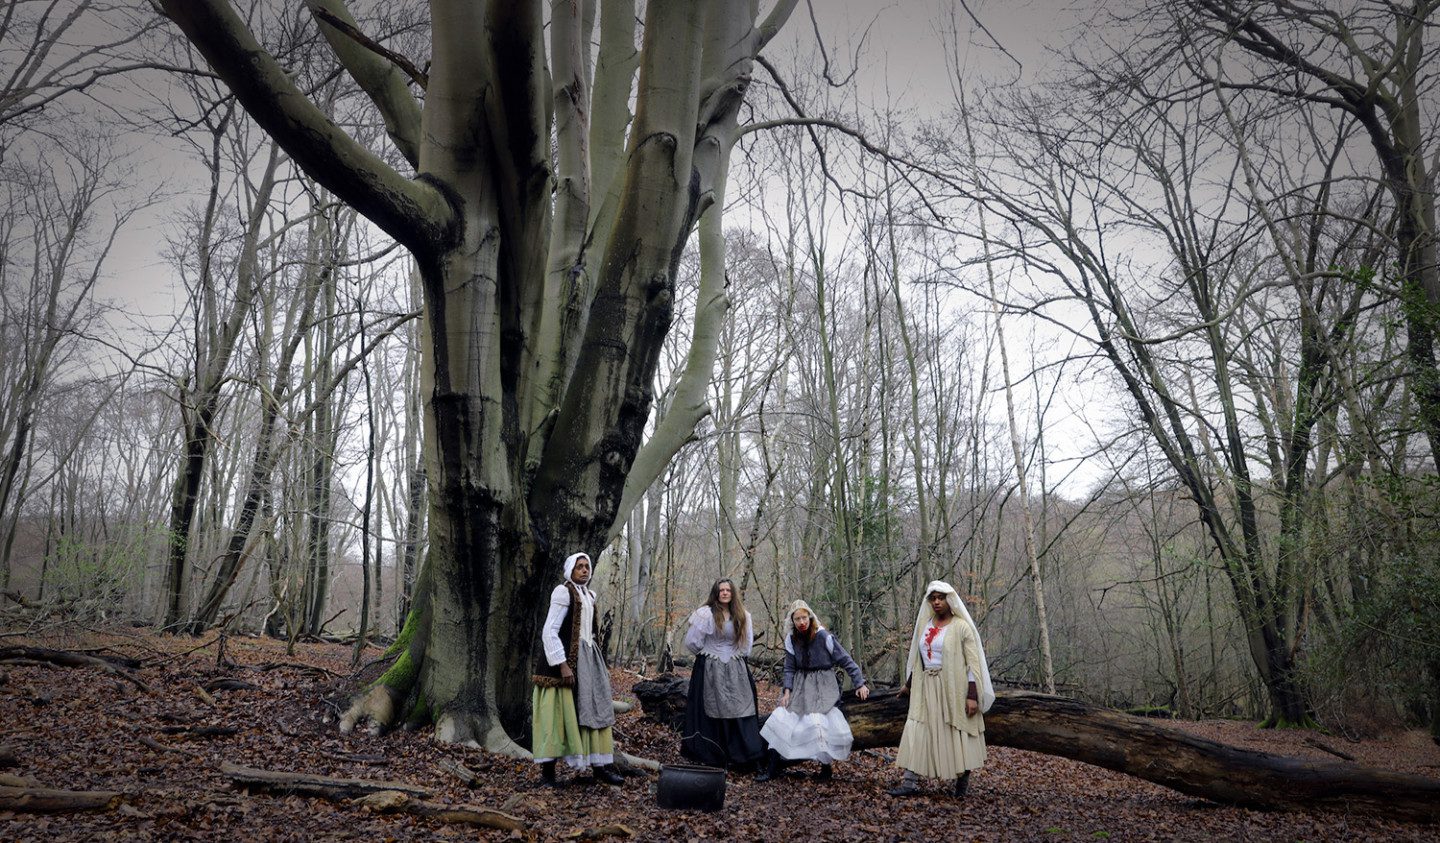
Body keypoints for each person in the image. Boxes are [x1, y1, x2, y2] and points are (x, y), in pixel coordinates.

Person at [887, 580, 994, 798]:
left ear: (949, 599)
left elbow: (972, 664)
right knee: (918, 728)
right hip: (925, 687)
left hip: (953, 687)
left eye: (941, 597)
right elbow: (918, 658)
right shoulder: (924, 624)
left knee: (957, 730)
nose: (936, 602)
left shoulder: (961, 627)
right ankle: (909, 782)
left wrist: (972, 695)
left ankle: (961, 784)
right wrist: (908, 685)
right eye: (933, 598)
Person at [531, 551, 624, 787]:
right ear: (570, 570)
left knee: (593, 708)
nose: (584, 570)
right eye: (579, 567)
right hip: (563, 662)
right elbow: (549, 631)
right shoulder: (563, 592)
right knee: (557, 714)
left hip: (588, 658)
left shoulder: (589, 595)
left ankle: (600, 767)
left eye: (587, 566)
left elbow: (589, 633)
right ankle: (548, 775)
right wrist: (562, 664)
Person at [756, 599, 870, 782]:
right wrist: (786, 692)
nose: (801, 622)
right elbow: (789, 668)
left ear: (809, 617)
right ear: (792, 621)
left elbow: (845, 659)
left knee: (819, 722)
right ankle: (772, 768)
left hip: (823, 683)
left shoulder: (824, 636)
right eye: (797, 619)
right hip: (801, 683)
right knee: (784, 719)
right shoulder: (791, 639)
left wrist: (860, 683)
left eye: (804, 618)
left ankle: (826, 769)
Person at [680, 578, 766, 771]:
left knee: (740, 707)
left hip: (736, 667)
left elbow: (746, 644)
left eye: (728, 590)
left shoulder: (743, 615)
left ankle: (744, 756)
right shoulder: (706, 614)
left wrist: (736, 657)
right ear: (716, 593)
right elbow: (692, 642)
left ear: (733, 593)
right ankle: (714, 756)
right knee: (712, 709)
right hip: (710, 666)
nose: (725, 593)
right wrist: (708, 656)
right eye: (721, 590)